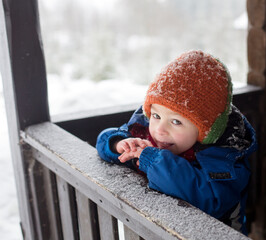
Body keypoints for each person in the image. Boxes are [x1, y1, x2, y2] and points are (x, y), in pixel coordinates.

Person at [96, 50, 257, 234]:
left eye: (176, 122)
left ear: (205, 130)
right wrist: (118, 144)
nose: (159, 130)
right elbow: (104, 139)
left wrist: (154, 161)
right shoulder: (144, 131)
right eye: (156, 115)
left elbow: (212, 200)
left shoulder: (226, 156)